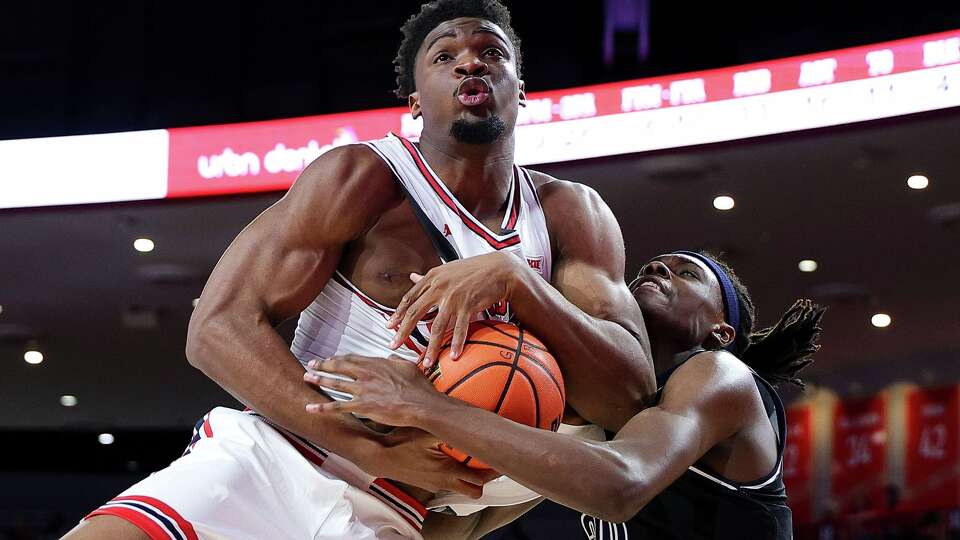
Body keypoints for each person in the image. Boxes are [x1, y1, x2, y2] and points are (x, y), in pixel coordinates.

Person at [63, 1, 654, 539]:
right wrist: (365, 448)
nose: (470, 64)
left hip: (396, 509)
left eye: (491, 53)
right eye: (445, 55)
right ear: (415, 99)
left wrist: (519, 283)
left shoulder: (571, 215)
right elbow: (216, 328)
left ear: (520, 89)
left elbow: (629, 397)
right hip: (276, 455)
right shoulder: (363, 177)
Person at [304, 251, 826, 539]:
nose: (656, 269)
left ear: (721, 329)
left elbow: (619, 486)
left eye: (686, 273)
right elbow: (471, 523)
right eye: (652, 265)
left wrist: (428, 405)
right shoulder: (600, 424)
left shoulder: (720, 376)